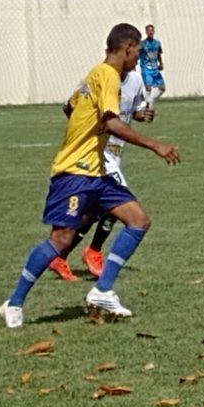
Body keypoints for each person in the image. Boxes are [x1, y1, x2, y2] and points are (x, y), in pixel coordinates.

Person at [0, 23, 179, 327]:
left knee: (138, 221)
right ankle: (13, 303)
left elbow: (69, 108)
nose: (137, 60)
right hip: (73, 172)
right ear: (128, 48)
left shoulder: (94, 74)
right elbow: (110, 122)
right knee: (61, 239)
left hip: (96, 172)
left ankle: (102, 290)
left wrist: (93, 123)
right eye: (136, 53)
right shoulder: (108, 75)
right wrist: (154, 145)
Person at [47, 65, 151, 282]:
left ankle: (60, 255)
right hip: (98, 154)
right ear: (125, 50)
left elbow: (132, 111)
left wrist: (141, 115)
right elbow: (69, 106)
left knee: (92, 211)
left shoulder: (135, 80)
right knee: (123, 207)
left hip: (116, 153)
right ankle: (93, 251)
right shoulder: (99, 77)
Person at [139, 24, 165, 110]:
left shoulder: (157, 43)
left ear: (153, 31)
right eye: (148, 30)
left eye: (152, 30)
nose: (150, 32)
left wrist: (161, 64)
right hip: (146, 69)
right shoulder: (142, 44)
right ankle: (147, 107)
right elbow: (136, 54)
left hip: (155, 68)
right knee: (148, 88)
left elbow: (158, 54)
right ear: (146, 32)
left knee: (162, 88)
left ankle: (151, 101)